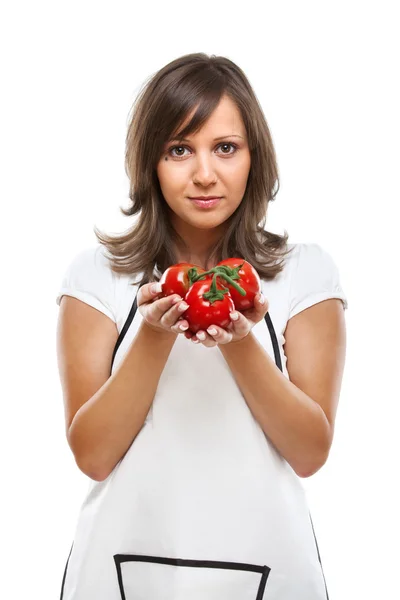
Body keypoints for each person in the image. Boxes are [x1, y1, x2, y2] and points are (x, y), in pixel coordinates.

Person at [56, 53, 348, 600]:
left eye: (225, 148)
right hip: (121, 567)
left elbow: (310, 451)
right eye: (179, 150)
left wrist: (240, 342)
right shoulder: (98, 276)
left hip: (269, 567)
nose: (204, 174)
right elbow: (92, 454)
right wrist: (155, 335)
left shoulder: (305, 273)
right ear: (150, 163)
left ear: (254, 157)